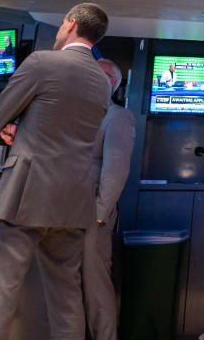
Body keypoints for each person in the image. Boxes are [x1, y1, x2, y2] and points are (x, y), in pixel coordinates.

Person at [0, 3, 111, 340]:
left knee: (1, 294)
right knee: (66, 300)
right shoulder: (102, 81)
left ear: (70, 23)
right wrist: (24, 129)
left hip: (26, 194)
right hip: (73, 201)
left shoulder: (42, 63)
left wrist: (5, 130)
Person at [83, 59, 136, 340]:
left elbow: (115, 170)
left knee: (95, 288)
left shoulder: (118, 117)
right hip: (58, 210)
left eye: (104, 74)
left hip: (93, 215)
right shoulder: (69, 113)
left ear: (114, 83)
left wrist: (100, 214)